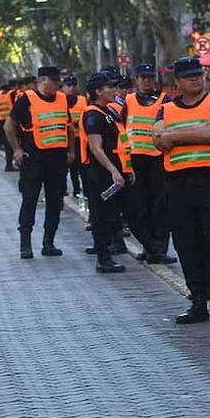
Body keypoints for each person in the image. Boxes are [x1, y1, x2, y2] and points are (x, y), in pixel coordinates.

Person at [154, 56, 210, 324]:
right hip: (178, 186)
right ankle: (199, 301)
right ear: (176, 81)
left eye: (198, 74)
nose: (195, 79)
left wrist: (174, 136)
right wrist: (193, 132)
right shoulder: (165, 108)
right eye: (189, 75)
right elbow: (157, 140)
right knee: (187, 245)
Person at [5, 66, 74, 259]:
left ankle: (48, 243)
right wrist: (17, 149)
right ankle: (25, 244)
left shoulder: (62, 99)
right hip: (33, 160)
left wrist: (71, 151)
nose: (57, 85)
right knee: (30, 200)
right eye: (53, 81)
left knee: (55, 202)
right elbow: (8, 125)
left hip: (57, 160)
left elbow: (69, 128)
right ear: (42, 80)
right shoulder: (26, 99)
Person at [79, 71, 130, 273]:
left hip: (114, 171)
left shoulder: (108, 111)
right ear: (98, 91)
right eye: (109, 87)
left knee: (111, 213)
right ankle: (103, 257)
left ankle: (109, 251)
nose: (113, 90)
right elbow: (96, 147)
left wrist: (126, 169)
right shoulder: (93, 114)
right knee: (101, 214)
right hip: (100, 174)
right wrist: (113, 171)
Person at [125, 64, 175, 264]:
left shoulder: (165, 100)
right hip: (136, 159)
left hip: (158, 158)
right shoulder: (128, 101)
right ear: (136, 79)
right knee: (141, 206)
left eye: (149, 77)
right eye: (142, 77)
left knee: (160, 207)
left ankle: (159, 248)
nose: (146, 81)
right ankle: (149, 247)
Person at [64, 75, 87, 199]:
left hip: (81, 139)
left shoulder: (83, 100)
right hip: (65, 140)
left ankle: (82, 190)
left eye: (73, 85)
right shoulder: (60, 101)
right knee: (68, 167)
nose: (71, 88)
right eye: (68, 85)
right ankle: (70, 189)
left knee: (82, 166)